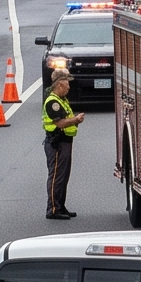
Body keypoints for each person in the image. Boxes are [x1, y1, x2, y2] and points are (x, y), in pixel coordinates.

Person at [42, 67, 83, 221]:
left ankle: (60, 206)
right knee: (56, 177)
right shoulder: (53, 102)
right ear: (59, 84)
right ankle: (53, 208)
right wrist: (76, 119)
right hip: (57, 143)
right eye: (67, 84)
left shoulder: (62, 100)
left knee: (63, 176)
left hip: (65, 142)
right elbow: (59, 123)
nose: (69, 87)